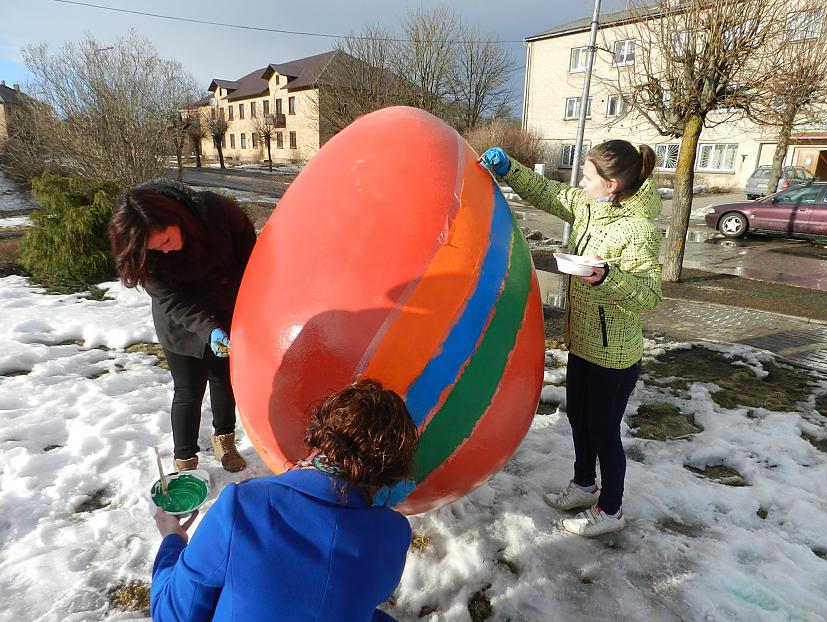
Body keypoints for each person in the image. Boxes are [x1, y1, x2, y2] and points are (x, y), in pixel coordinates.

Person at [480, 141, 662, 537]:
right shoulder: (588, 206)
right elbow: (547, 192)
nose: (579, 182)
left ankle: (611, 510)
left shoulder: (639, 230)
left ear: (611, 185)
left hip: (613, 355)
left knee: (604, 432)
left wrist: (606, 276)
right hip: (582, 341)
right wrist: (508, 167)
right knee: (579, 418)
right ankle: (584, 485)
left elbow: (650, 295)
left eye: (587, 176)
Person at [149, 377, 419, 622]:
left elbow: (171, 615)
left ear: (321, 429)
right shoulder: (392, 533)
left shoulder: (243, 506)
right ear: (391, 469)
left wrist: (173, 541)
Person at [108, 179, 256, 473]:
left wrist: (246, 298)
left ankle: (224, 440)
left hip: (226, 307)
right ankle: (185, 459)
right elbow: (172, 301)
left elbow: (249, 251)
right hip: (180, 322)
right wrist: (209, 329)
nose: (163, 251)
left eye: (164, 241)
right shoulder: (145, 255)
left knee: (224, 381)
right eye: (156, 249)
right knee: (188, 390)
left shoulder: (216, 212)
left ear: (175, 218)